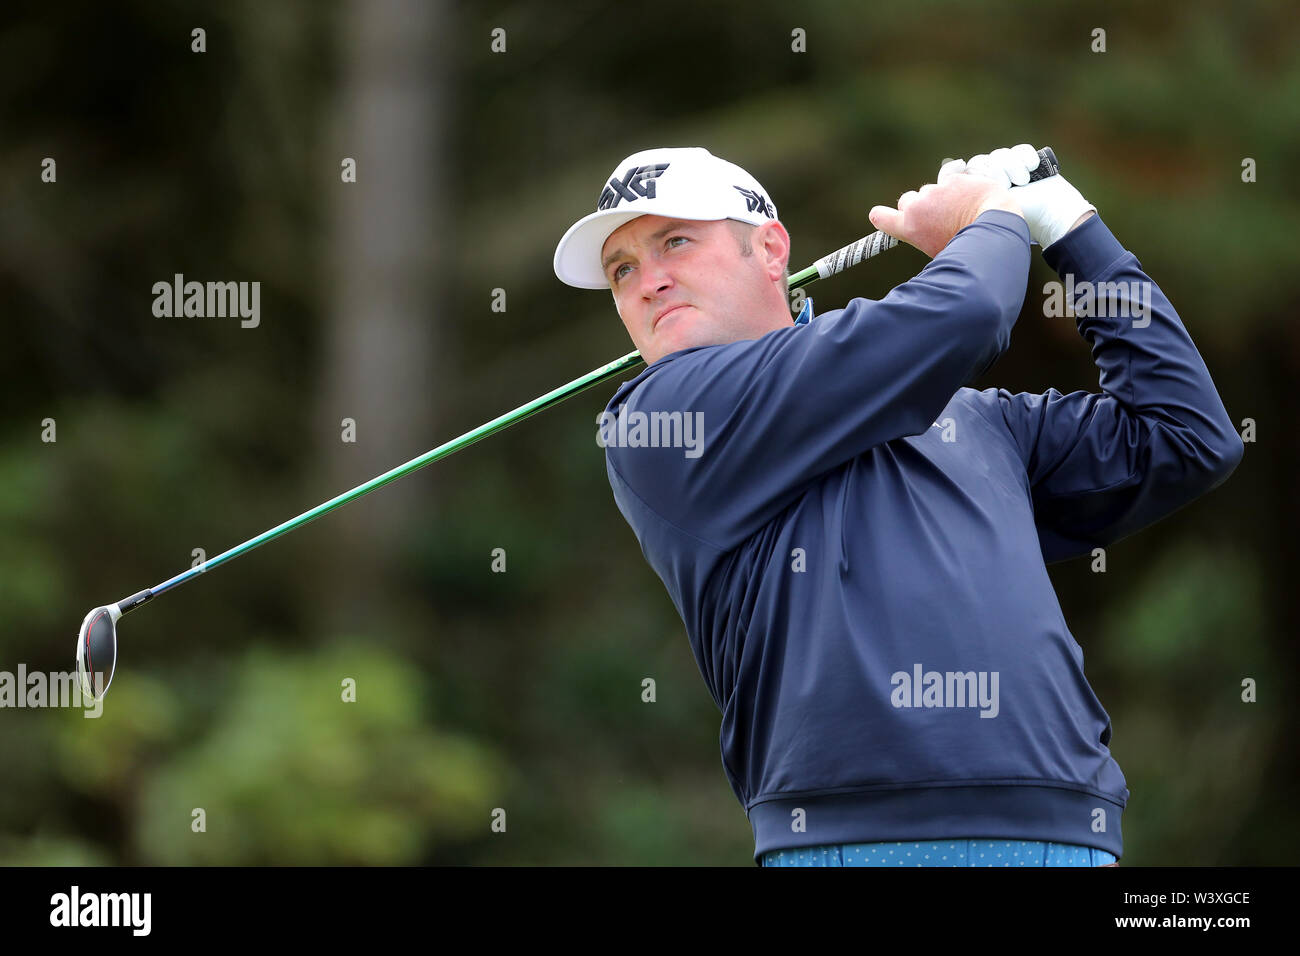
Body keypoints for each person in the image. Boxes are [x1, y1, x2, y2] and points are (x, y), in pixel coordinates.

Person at [552, 144, 1243, 867]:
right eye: (622, 268)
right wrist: (992, 219)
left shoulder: (979, 422)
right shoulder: (659, 421)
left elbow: (1186, 435)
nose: (649, 282)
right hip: (857, 840)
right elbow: (966, 309)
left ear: (770, 249)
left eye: (675, 242)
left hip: (1066, 830)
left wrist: (1070, 227)